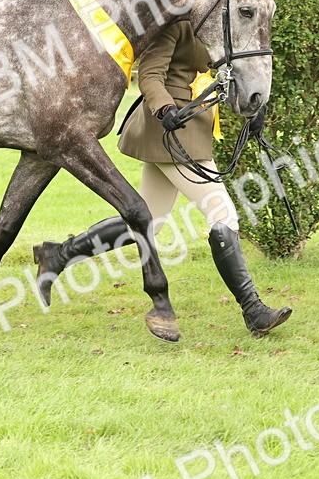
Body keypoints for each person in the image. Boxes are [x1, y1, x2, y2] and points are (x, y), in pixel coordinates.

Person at [32, 20, 293, 338]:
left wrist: (252, 108)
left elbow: (223, 69)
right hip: (172, 130)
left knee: (148, 222)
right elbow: (151, 75)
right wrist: (164, 109)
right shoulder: (175, 23)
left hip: (192, 126)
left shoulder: (212, 23)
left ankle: (57, 255)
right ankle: (254, 311)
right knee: (222, 214)